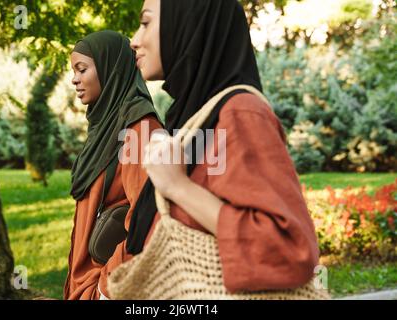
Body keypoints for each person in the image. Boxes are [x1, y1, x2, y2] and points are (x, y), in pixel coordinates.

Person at [127, 0, 320, 293]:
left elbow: (289, 250)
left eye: (145, 23)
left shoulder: (239, 113)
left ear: (187, 23)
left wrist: (179, 187)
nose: (135, 40)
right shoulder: (192, 113)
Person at [64, 30, 162, 299]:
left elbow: (153, 224)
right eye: (73, 70)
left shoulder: (139, 128)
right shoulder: (106, 126)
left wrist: (105, 288)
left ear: (111, 70)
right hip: (82, 285)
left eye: (82, 69)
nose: (74, 79)